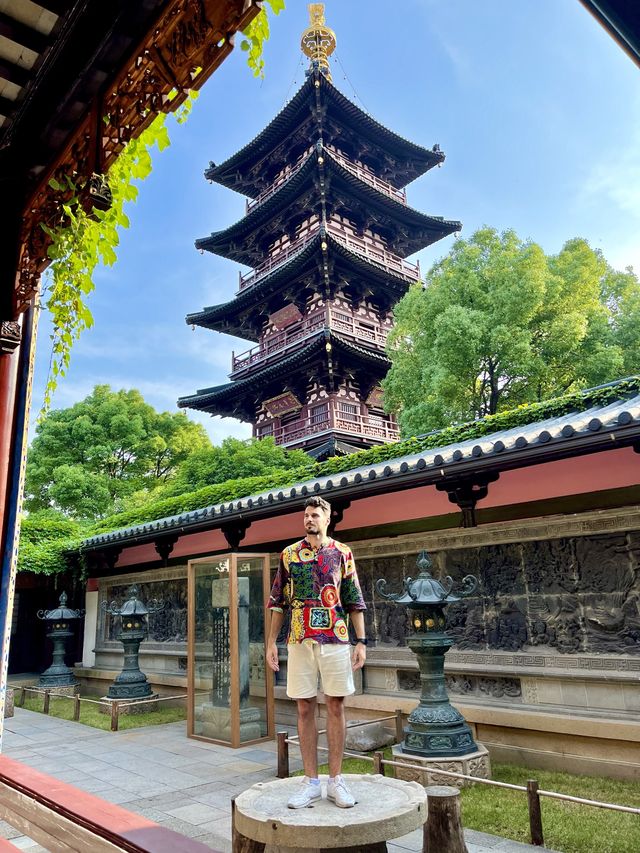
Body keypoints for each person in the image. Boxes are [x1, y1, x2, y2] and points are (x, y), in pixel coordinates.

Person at [266, 496, 367, 809]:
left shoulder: (342, 553)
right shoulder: (289, 554)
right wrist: (270, 641)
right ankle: (310, 781)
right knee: (304, 708)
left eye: (315, 515)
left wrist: (362, 641)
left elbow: (353, 598)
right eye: (306, 515)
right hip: (299, 638)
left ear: (328, 519)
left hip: (336, 638)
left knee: (336, 705)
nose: (309, 520)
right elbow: (277, 601)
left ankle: (336, 780)